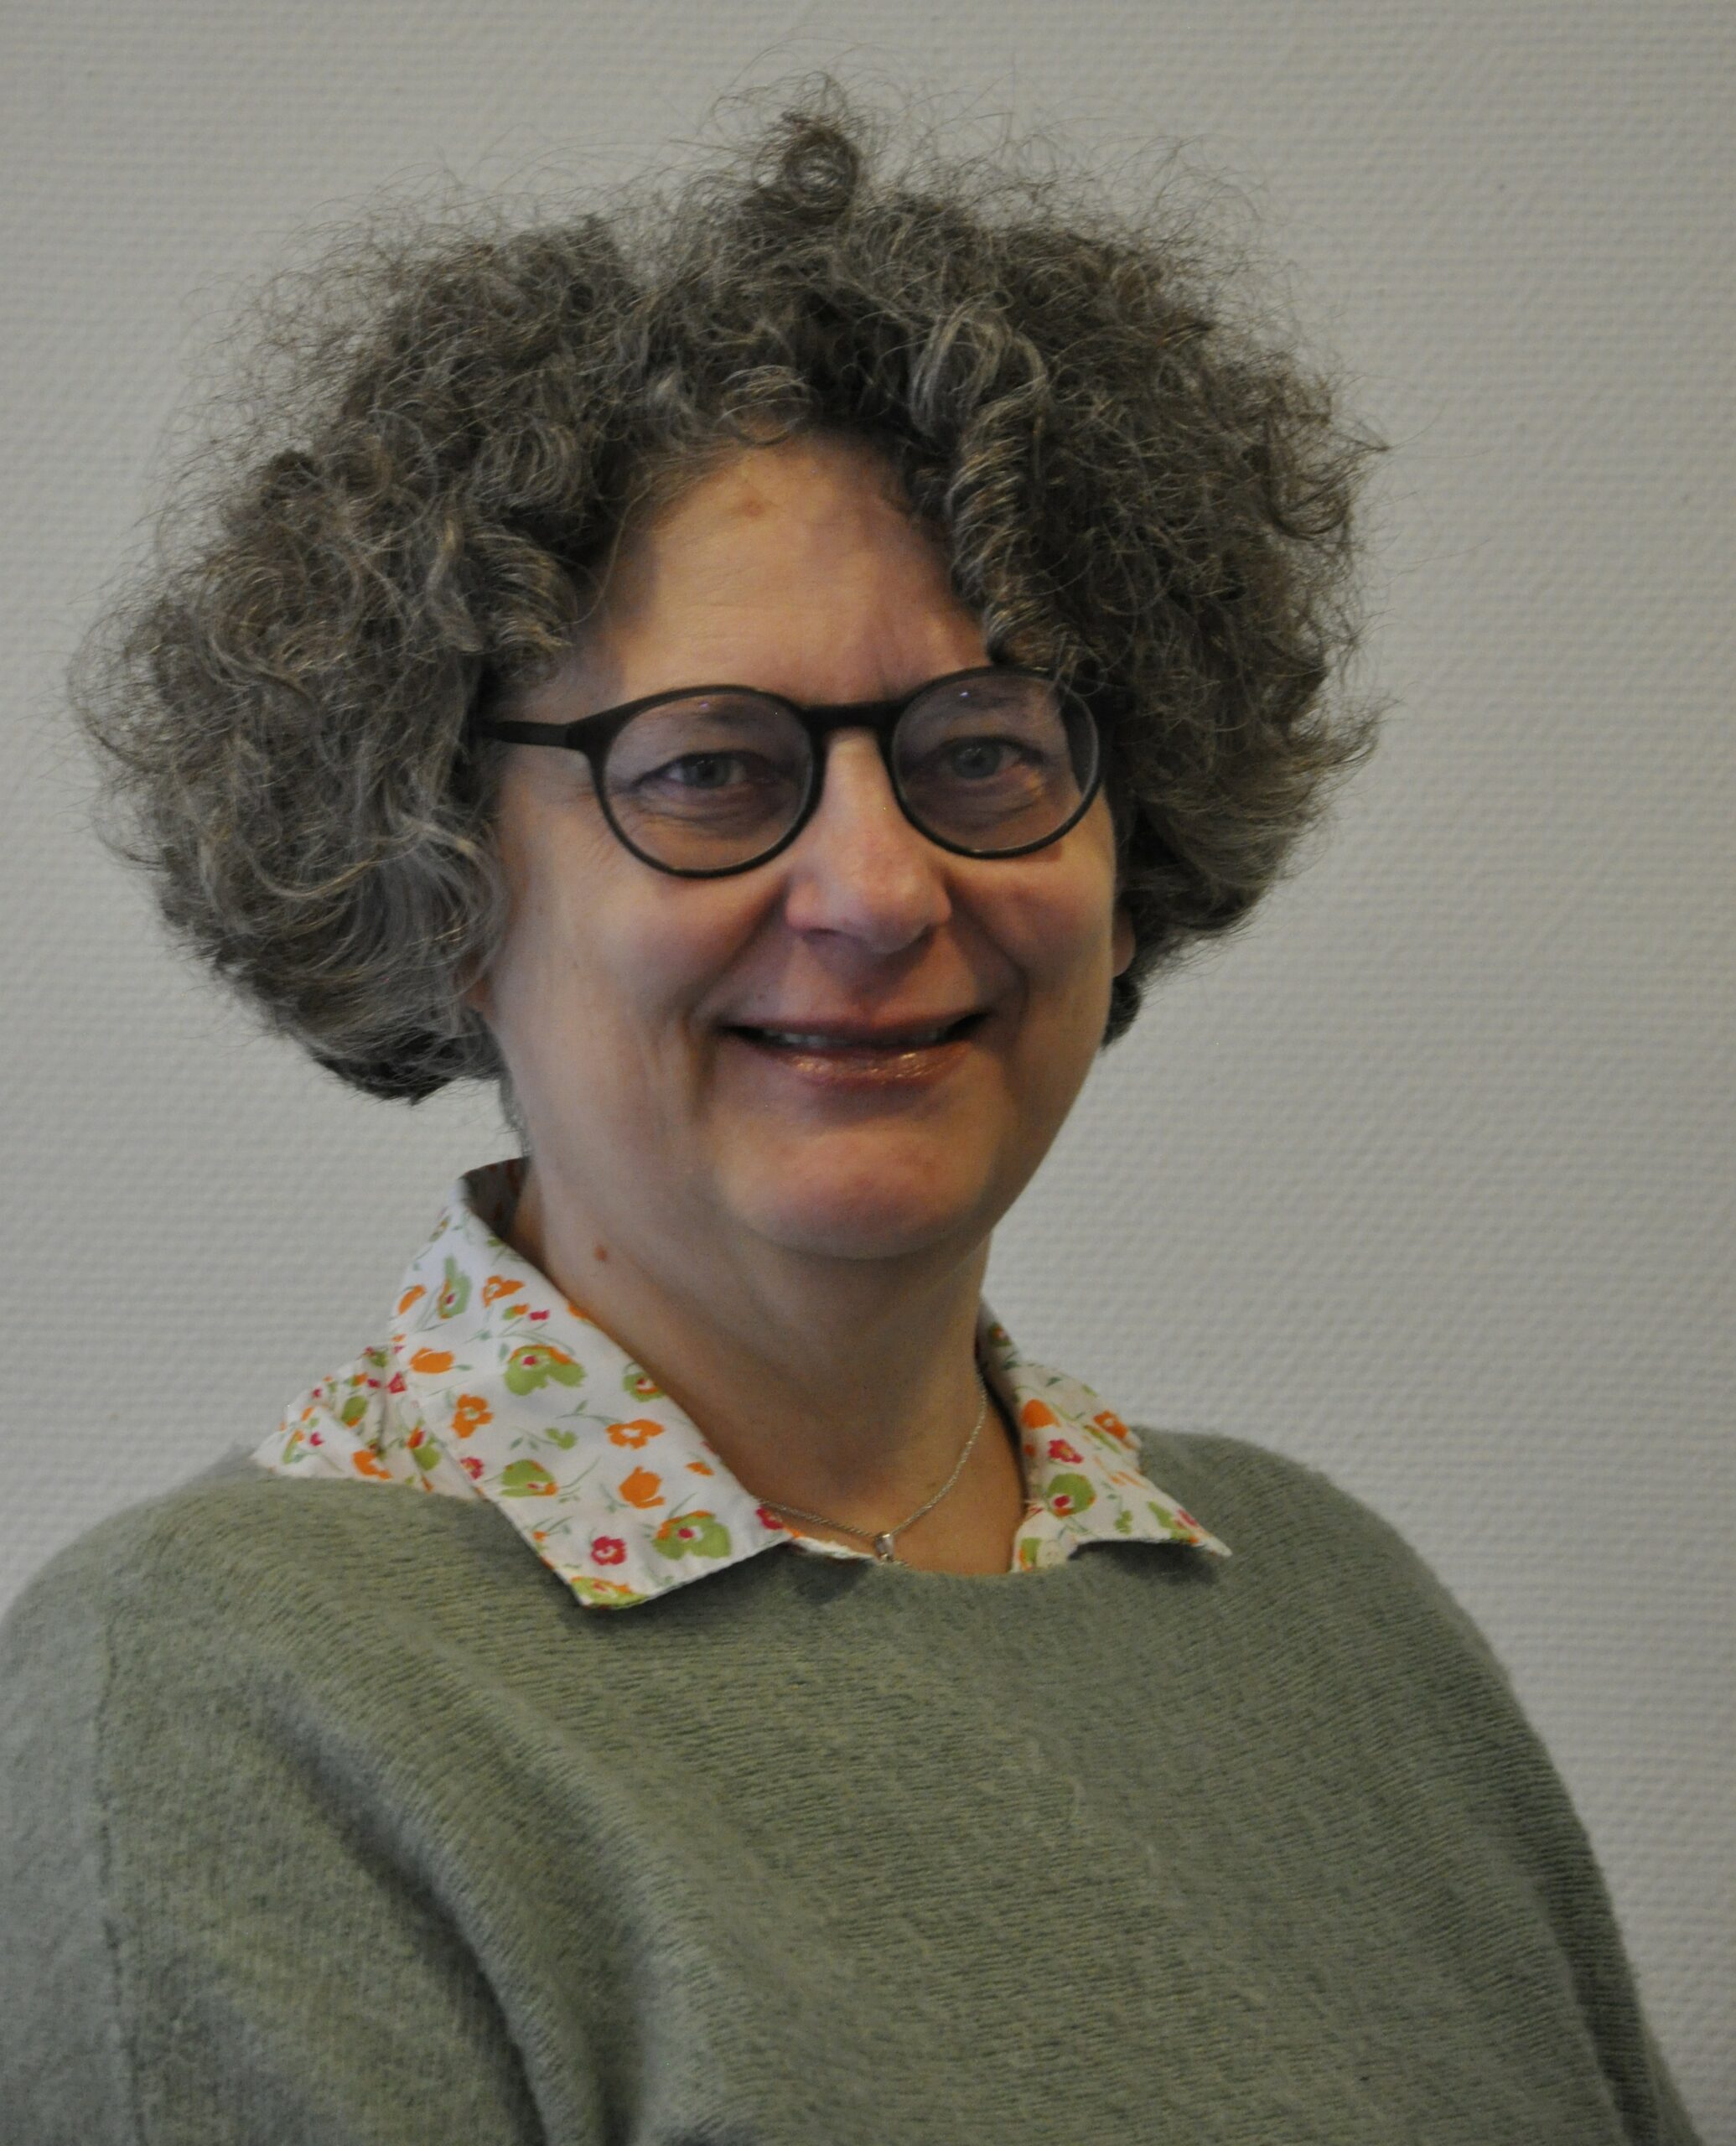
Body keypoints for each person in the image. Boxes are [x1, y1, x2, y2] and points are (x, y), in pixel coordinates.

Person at [0, 80, 1701, 2144]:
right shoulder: (224, 1700)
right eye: (710, 769)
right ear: (439, 883)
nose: (882, 888)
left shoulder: (1338, 1621)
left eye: (983, 750)